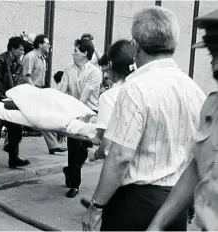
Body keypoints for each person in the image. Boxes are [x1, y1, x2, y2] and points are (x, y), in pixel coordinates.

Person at [81, 7, 206, 231]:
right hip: (174, 206)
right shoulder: (194, 91)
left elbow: (120, 156)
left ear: (136, 45)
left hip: (134, 204)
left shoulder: (135, 88)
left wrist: (96, 205)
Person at [146, 9, 218, 231]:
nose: (216, 66)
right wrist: (157, 225)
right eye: (213, 55)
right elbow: (198, 168)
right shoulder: (212, 106)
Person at [58, 38, 102, 198]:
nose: (72, 52)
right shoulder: (68, 69)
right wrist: (59, 115)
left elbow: (84, 98)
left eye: (76, 50)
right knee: (73, 150)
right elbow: (62, 91)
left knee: (85, 149)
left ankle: (70, 170)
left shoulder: (95, 72)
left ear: (84, 53)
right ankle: (75, 185)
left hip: (90, 116)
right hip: (73, 114)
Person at [87, 39, 136, 162]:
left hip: (121, 165)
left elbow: (106, 144)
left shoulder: (109, 97)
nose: (104, 76)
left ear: (111, 65)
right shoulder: (145, 90)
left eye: (106, 71)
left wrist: (95, 154)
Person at [0, 36, 30, 169]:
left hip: (12, 100)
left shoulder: (19, 63)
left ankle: (14, 157)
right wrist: (3, 101)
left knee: (16, 128)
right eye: (21, 49)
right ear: (13, 49)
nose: (23, 52)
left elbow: (20, 83)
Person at [22, 34, 67, 155]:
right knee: (26, 119)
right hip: (30, 92)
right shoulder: (30, 57)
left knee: (42, 118)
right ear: (40, 44)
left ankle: (53, 145)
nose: (49, 45)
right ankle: (53, 145)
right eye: (47, 43)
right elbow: (26, 76)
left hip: (38, 91)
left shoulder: (42, 58)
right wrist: (34, 91)